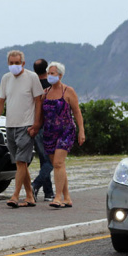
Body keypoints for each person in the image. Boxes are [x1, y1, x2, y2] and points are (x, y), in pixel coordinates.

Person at [0, 50, 44, 208]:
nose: (14, 66)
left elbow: (38, 101)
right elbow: (1, 101)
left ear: (23, 63)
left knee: (21, 161)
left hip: (26, 126)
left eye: (17, 63)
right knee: (19, 163)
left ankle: (15, 195)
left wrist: (36, 124)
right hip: (10, 126)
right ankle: (30, 196)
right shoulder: (6, 79)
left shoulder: (32, 77)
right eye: (11, 63)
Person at [41, 62, 85, 208]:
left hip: (66, 131)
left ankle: (57, 197)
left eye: (53, 73)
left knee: (58, 163)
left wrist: (81, 130)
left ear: (60, 75)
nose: (50, 76)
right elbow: (40, 114)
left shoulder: (68, 91)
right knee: (58, 165)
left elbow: (77, 112)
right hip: (49, 132)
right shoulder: (45, 93)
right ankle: (67, 197)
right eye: (49, 73)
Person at [30, 58, 55, 202]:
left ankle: (48, 192)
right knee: (52, 161)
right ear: (46, 69)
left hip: (35, 125)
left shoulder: (33, 85)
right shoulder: (51, 86)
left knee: (44, 160)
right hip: (49, 126)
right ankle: (35, 184)